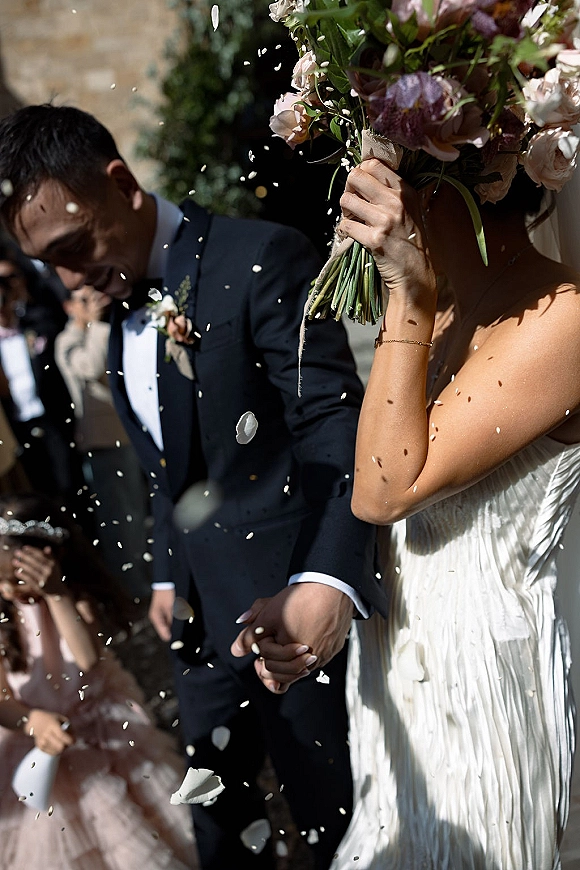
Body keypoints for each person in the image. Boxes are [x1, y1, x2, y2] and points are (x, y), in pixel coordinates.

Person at [0, 104, 388, 869]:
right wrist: (167, 570)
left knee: (331, 819)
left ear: (121, 183)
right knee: (218, 820)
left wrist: (324, 579)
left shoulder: (263, 255)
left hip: (288, 613)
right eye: (52, 267)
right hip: (196, 628)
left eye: (74, 248)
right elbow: (172, 469)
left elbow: (332, 425)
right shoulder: (118, 311)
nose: (73, 279)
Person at [325, 153, 580, 866]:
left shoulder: (565, 315)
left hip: (480, 677)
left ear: (436, 187)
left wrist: (407, 292)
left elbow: (384, 490)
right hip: (396, 654)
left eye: (383, 167)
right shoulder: (443, 308)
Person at [0, 492, 196, 869]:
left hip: (102, 732)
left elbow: (87, 658)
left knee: (128, 833)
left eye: (14, 580)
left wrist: (55, 593)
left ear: (48, 559)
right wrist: (31, 719)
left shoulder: (74, 598)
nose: (8, 592)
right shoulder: (3, 618)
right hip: (36, 743)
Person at [55, 285, 151, 599]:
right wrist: (96, 323)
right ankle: (131, 592)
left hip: (131, 435)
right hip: (104, 442)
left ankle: (145, 581)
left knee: (139, 516)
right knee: (121, 522)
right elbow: (92, 366)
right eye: (83, 299)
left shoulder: (108, 326)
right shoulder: (66, 341)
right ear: (69, 306)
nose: (93, 302)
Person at [0, 239, 83, 506]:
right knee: (38, 495)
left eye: (9, 280)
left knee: (70, 488)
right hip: (19, 427)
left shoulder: (36, 322)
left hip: (52, 419)